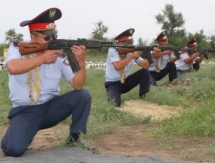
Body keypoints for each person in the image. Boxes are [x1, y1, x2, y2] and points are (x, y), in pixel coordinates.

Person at [1, 8, 91, 157]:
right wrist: (42, 59)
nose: (52, 41)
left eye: (54, 36)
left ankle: (75, 138)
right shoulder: (17, 49)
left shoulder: (59, 57)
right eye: (47, 38)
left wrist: (81, 61)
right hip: (26, 111)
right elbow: (12, 67)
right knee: (13, 150)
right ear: (33, 37)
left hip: (51, 108)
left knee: (83, 95)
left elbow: (78, 85)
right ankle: (20, 130)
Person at [104, 28, 153, 107]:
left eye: (131, 43)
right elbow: (117, 66)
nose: (130, 45)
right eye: (127, 43)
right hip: (112, 83)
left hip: (126, 82)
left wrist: (151, 56)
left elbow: (146, 66)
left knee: (144, 72)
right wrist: (132, 56)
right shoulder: (113, 50)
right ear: (120, 42)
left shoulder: (132, 51)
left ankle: (142, 97)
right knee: (115, 103)